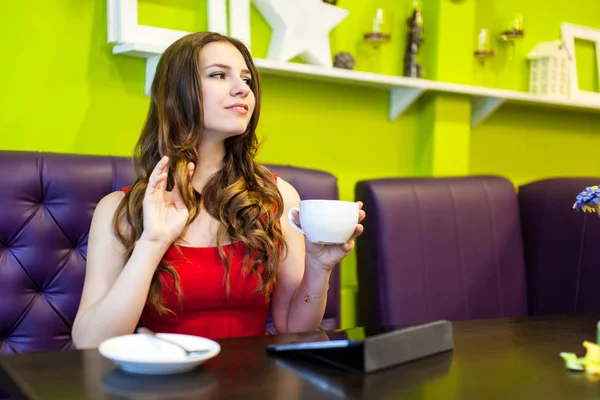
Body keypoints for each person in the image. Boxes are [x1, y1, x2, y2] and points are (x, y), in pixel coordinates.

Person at [72, 32, 365, 348]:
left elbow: (294, 328)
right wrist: (153, 242)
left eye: (246, 79)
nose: (243, 89)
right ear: (178, 92)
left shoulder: (278, 197)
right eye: (219, 75)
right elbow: (90, 344)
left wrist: (319, 267)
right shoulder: (119, 210)